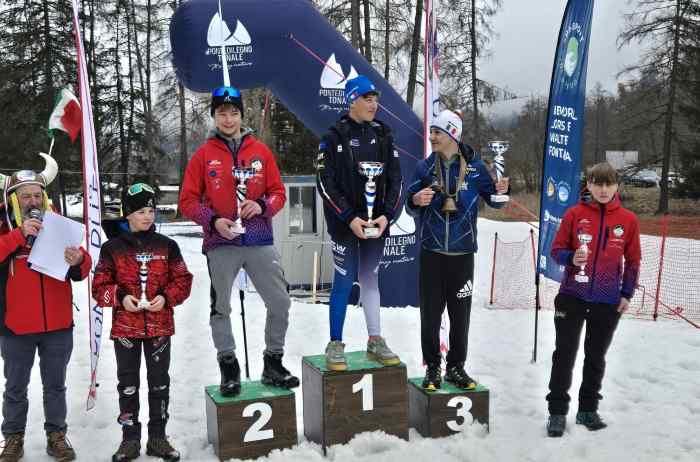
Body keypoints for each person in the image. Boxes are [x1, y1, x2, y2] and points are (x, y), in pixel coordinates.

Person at [179, 85, 299, 396]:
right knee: (221, 306)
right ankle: (228, 365)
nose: (228, 119)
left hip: (258, 237)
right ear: (214, 116)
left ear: (241, 115)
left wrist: (262, 206)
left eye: (234, 113)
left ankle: (273, 362)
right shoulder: (204, 156)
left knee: (280, 301)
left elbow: (278, 193)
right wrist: (214, 220)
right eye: (222, 113)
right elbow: (188, 201)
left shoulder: (260, 152)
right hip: (222, 241)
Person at [406, 110, 509, 391]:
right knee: (430, 315)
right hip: (432, 253)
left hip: (463, 254)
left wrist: (502, 190)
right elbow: (409, 205)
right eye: (431, 132)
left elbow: (495, 201)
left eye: (437, 132)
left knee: (460, 315)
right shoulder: (424, 168)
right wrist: (416, 199)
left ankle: (456, 367)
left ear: (452, 134)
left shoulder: (475, 168)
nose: (432, 137)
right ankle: (433, 369)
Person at [0, 154, 91, 462]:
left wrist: (79, 260)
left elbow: (82, 264)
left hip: (58, 325)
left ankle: (57, 436)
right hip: (15, 326)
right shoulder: (4, 227)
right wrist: (18, 234)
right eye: (25, 195)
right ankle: (13, 438)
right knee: (15, 388)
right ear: (14, 198)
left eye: (37, 194)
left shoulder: (57, 223)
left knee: (55, 387)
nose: (32, 200)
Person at [92, 183, 193, 461]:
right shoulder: (112, 249)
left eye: (151, 210)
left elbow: (183, 280)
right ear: (127, 214)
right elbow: (99, 287)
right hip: (126, 330)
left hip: (160, 328)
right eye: (140, 211)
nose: (147, 216)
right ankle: (130, 439)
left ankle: (158, 437)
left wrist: (166, 297)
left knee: (160, 383)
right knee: (128, 384)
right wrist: (121, 298)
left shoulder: (167, 246)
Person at [545, 162, 641, 437]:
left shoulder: (628, 220)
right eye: (597, 183)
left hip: (607, 300)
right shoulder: (574, 214)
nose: (603, 189)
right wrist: (571, 258)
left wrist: (626, 294)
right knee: (564, 354)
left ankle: (588, 409)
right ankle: (557, 412)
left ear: (616, 186)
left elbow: (633, 261)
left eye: (608, 183)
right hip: (572, 296)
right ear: (588, 184)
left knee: (596, 356)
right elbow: (557, 250)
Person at [316, 75, 403, 371]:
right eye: (367, 98)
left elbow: (396, 180)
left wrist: (386, 216)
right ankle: (335, 343)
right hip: (345, 226)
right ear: (351, 99)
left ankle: (375, 339)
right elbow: (324, 182)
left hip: (376, 225)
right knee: (343, 281)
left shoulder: (384, 134)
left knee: (370, 279)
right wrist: (349, 217)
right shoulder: (333, 136)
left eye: (375, 99)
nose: (373, 104)